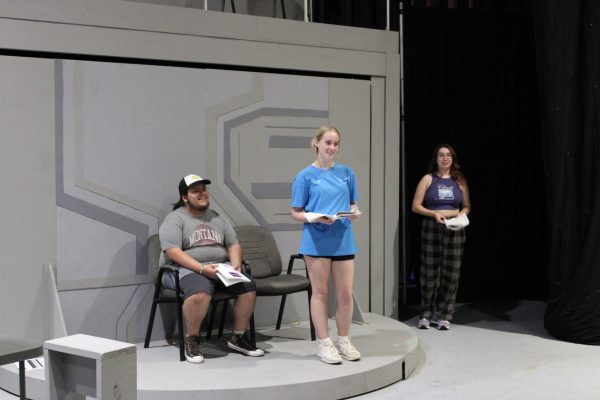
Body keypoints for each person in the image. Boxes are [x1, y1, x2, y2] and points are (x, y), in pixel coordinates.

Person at [159, 174, 265, 363]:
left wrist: (235, 263)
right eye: (195, 191)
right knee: (200, 291)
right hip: (183, 269)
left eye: (204, 190)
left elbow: (233, 243)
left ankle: (238, 337)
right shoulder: (175, 219)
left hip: (219, 268)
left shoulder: (217, 217)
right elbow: (173, 252)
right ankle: (191, 340)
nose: (202, 194)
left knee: (248, 286)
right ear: (184, 197)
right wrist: (201, 269)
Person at [290, 124, 362, 364]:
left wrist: (353, 212)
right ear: (317, 143)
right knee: (320, 292)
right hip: (316, 241)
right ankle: (325, 343)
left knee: (344, 293)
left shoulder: (346, 173)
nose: (332, 147)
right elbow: (296, 212)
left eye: (336, 143)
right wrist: (315, 216)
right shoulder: (304, 176)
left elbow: (352, 203)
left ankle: (344, 340)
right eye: (328, 142)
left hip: (343, 238)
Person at [411, 144, 471, 331]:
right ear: (435, 159)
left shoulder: (459, 181)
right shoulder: (428, 179)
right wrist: (433, 214)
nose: (445, 158)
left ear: (452, 159)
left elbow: (467, 206)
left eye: (448, 155)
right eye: (441, 155)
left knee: (451, 272)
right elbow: (415, 206)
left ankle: (445, 315)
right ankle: (426, 314)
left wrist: (461, 215)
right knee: (430, 271)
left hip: (455, 227)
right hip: (433, 225)